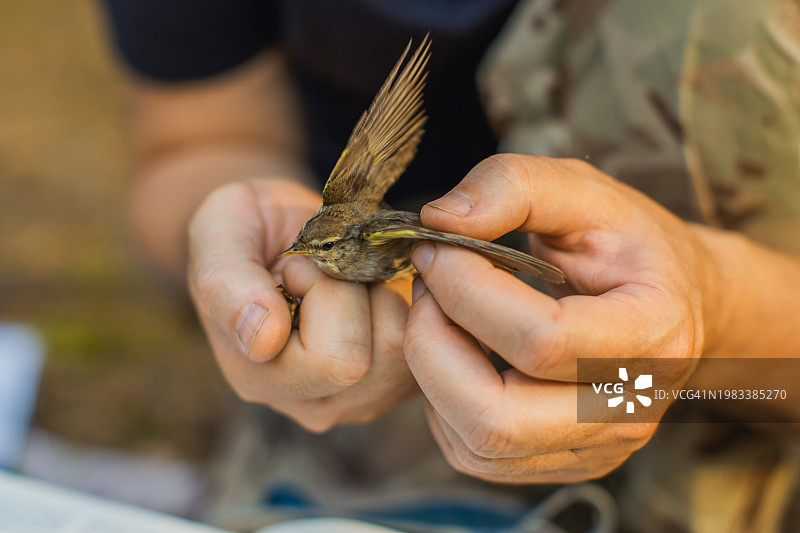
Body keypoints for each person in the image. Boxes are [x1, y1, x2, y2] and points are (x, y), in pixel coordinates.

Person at [101, 0, 800, 530]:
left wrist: (710, 323)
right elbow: (199, 135)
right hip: (404, 421)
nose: (305, 258)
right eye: (309, 250)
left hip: (750, 409)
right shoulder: (342, 227)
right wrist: (230, 247)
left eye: (315, 251)